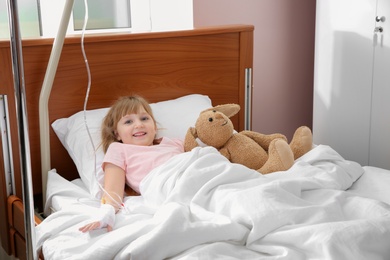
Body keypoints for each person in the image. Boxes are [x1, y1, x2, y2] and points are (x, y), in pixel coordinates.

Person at [79, 95, 184, 232]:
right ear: (117, 134)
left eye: (144, 118)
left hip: (190, 172)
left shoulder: (174, 143)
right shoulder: (119, 149)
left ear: (154, 127)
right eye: (128, 122)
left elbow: (198, 160)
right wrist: (106, 213)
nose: (139, 124)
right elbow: (112, 191)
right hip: (167, 185)